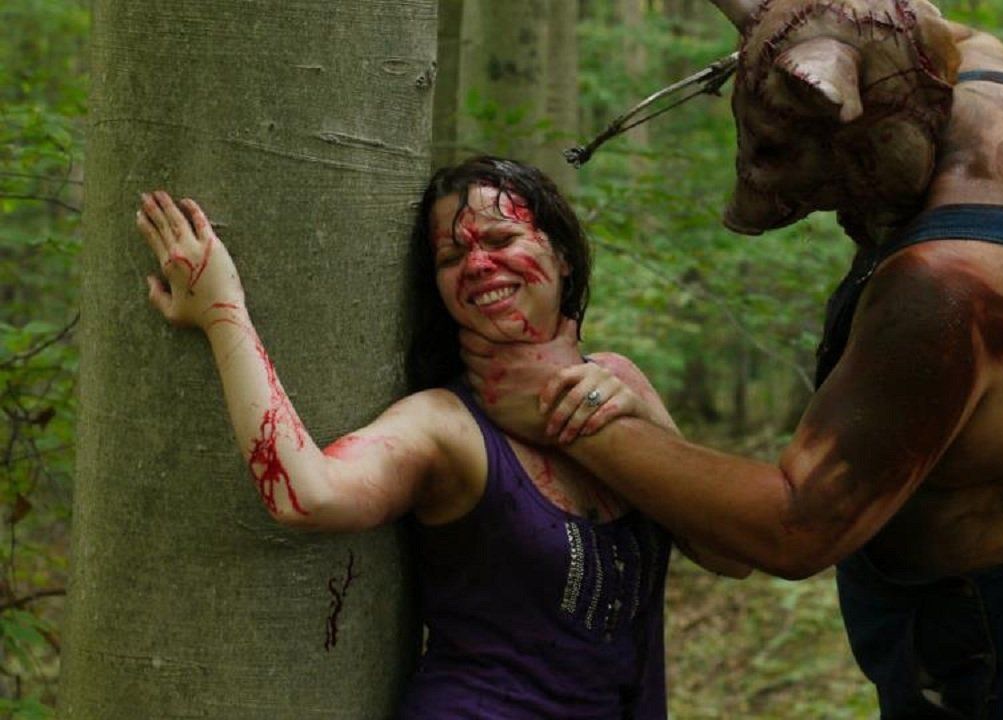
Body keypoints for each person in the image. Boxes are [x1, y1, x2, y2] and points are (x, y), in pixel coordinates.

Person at [457, 2, 1003, 718]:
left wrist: (571, 415)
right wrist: (801, 23)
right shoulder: (996, 83)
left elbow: (795, 524)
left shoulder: (945, 288)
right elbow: (927, 26)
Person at [135, 155, 747, 719]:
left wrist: (635, 420)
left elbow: (731, 552)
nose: (478, 264)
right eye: (452, 257)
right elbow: (307, 494)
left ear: (562, 255)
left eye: (501, 239)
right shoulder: (444, 426)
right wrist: (224, 311)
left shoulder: (620, 382)